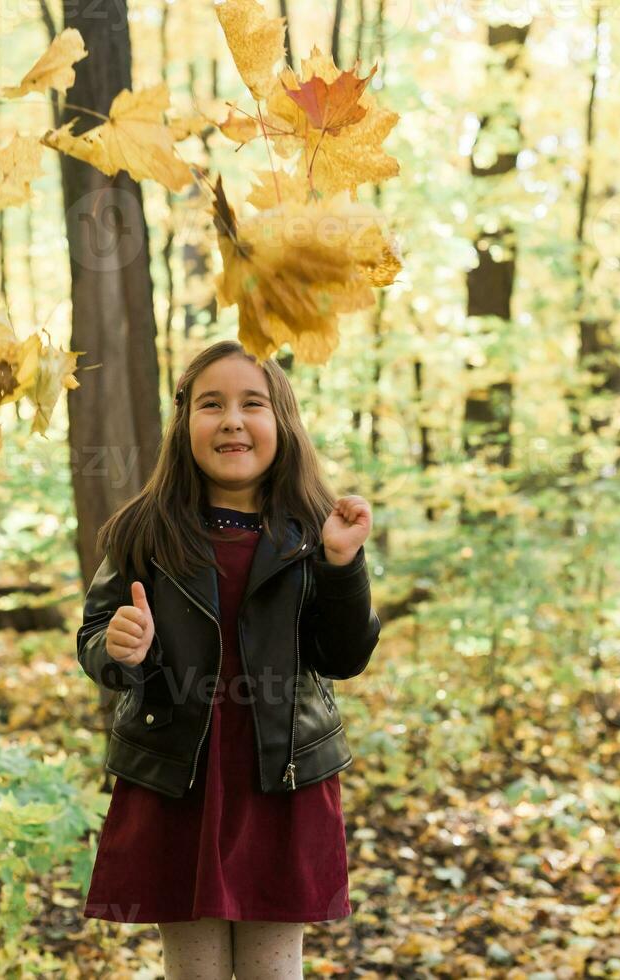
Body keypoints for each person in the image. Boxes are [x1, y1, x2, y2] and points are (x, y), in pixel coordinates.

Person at [75, 340, 382, 978]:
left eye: (253, 404)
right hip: (181, 779)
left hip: (282, 779)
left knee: (274, 969)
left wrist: (342, 565)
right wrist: (116, 647)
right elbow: (96, 635)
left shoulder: (316, 531)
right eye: (211, 405)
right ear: (185, 423)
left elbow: (345, 655)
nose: (233, 420)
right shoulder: (144, 530)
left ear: (283, 422)